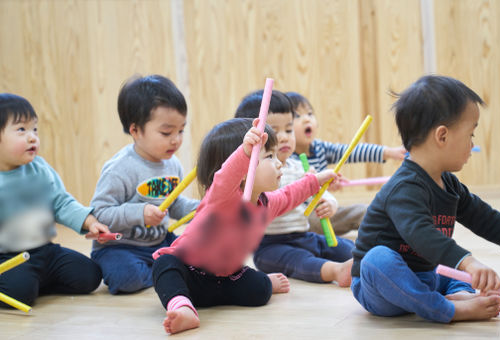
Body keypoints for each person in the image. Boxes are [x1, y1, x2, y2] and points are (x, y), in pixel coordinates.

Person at [152, 117, 342, 334]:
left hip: (225, 279)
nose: (279, 162)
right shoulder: (222, 197)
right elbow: (225, 176)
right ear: (244, 171)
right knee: (165, 265)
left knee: (259, 289)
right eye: (269, 156)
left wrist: (316, 180)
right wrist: (243, 152)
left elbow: (290, 195)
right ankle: (182, 306)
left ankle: (264, 284)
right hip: (189, 269)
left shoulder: (265, 203)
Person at [351, 75, 500, 323]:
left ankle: (457, 294)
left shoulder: (448, 183)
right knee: (376, 259)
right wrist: (468, 262)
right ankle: (446, 309)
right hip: (381, 288)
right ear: (442, 136)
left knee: (447, 270)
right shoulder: (404, 187)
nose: (472, 145)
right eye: (471, 135)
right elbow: (421, 234)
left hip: (424, 275)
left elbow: (484, 217)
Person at [90, 75, 199, 294]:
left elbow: (174, 204)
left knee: (200, 258)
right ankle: (163, 273)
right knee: (126, 278)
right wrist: (140, 213)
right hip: (121, 247)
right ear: (135, 131)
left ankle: (163, 269)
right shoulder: (120, 169)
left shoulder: (172, 164)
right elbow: (100, 213)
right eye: (166, 132)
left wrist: (199, 208)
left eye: (181, 131)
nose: (176, 140)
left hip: (159, 241)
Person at [0, 93, 109, 307]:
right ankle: (26, 283)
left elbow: (61, 202)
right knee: (18, 293)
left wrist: (90, 222)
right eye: (21, 129)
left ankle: (36, 281)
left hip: (46, 251)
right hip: (8, 258)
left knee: (90, 275)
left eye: (34, 129)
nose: (32, 137)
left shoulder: (40, 169)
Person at [235, 90, 353, 286]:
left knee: (345, 247)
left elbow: (321, 193)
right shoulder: (254, 174)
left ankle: (366, 259)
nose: (283, 138)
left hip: (304, 235)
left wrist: (329, 203)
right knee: (302, 262)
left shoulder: (300, 167)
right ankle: (336, 271)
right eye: (273, 132)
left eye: (289, 130)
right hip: (271, 246)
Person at [286, 91, 406, 235]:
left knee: (366, 211)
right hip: (301, 220)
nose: (306, 119)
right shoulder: (286, 158)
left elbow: (350, 151)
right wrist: (320, 182)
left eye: (310, 114)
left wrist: (389, 152)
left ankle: (391, 237)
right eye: (297, 116)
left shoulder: (319, 148)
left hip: (326, 214)